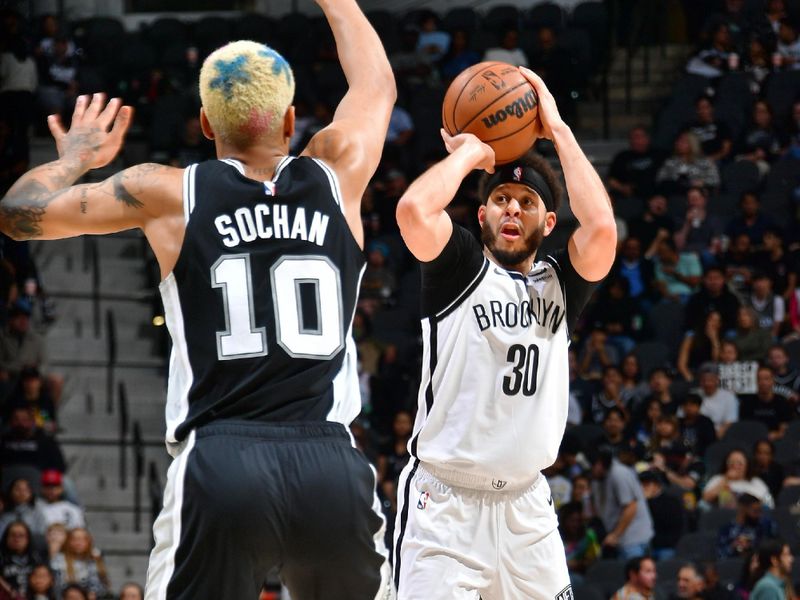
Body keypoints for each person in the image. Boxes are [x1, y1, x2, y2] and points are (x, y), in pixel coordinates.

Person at [0, 0, 397, 596]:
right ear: (291, 121)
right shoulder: (339, 174)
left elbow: (16, 215)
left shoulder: (166, 193)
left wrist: (73, 161)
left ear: (206, 124)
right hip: (330, 462)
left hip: (222, 460)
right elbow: (377, 82)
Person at [392, 68, 616, 599]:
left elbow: (603, 230)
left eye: (527, 201)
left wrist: (557, 129)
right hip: (445, 509)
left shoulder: (561, 285)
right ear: (482, 213)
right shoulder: (460, 268)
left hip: (527, 510)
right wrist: (472, 154)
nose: (512, 207)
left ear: (548, 223)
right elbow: (412, 210)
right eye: (501, 198)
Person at [590, 448, 654, 560]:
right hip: (618, 538)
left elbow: (631, 507)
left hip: (633, 539)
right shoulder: (597, 478)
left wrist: (615, 535)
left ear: (599, 464)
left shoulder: (619, 474)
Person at [702, 450, 774, 509]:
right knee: (725, 493)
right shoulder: (718, 478)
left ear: (747, 466)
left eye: (739, 463)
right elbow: (705, 500)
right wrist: (726, 479)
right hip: (724, 517)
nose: (735, 466)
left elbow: (768, 504)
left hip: (752, 517)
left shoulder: (756, 481)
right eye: (731, 462)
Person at [717, 493, 777, 559]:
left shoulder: (763, 527)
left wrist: (752, 545)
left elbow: (772, 548)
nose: (759, 515)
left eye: (760, 511)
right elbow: (720, 555)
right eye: (755, 511)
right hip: (733, 565)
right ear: (742, 510)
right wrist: (734, 546)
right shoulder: (727, 530)